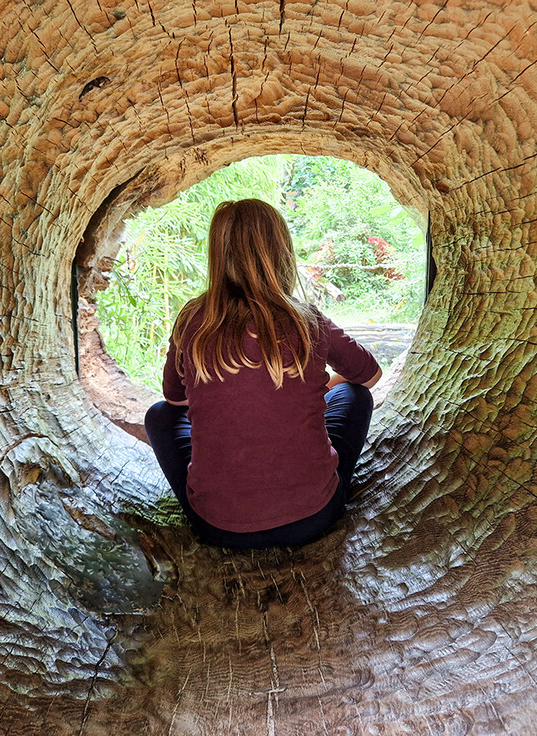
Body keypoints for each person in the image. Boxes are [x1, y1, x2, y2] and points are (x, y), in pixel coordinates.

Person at [144, 199, 382, 549]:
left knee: (160, 417)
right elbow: (370, 376)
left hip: (216, 526)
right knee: (355, 396)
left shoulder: (193, 320)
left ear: (217, 254)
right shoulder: (307, 320)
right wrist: (319, 387)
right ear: (282, 250)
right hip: (314, 516)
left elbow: (175, 399)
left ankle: (220, 492)